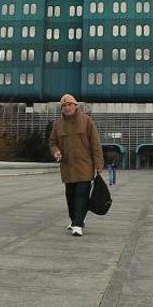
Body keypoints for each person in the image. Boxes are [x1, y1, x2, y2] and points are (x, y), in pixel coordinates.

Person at [49, 93, 104, 237]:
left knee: (82, 195)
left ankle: (78, 224)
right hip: (67, 167)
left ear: (75, 105)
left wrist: (99, 164)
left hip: (84, 167)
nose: (67, 108)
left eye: (69, 105)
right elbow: (52, 142)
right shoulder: (58, 124)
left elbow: (96, 145)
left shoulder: (87, 122)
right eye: (64, 106)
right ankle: (74, 219)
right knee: (70, 196)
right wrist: (56, 152)